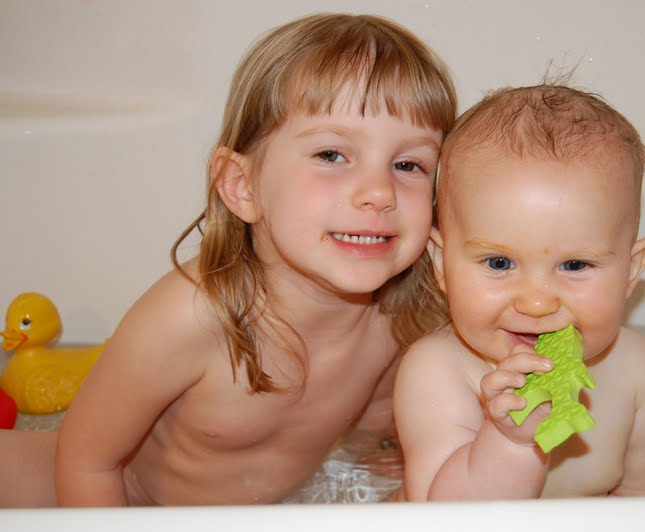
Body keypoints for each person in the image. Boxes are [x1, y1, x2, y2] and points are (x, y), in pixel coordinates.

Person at [0, 13, 457, 507]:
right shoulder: (191, 315)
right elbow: (87, 459)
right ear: (243, 187)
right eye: (331, 155)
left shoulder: (397, 320)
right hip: (102, 493)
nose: (378, 192)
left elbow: (378, 419)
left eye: (408, 164)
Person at [394, 84, 645, 500]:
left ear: (631, 271)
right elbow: (442, 520)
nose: (537, 303)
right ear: (441, 264)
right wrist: (509, 442)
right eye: (499, 263)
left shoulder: (638, 370)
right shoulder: (437, 371)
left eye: (575, 265)